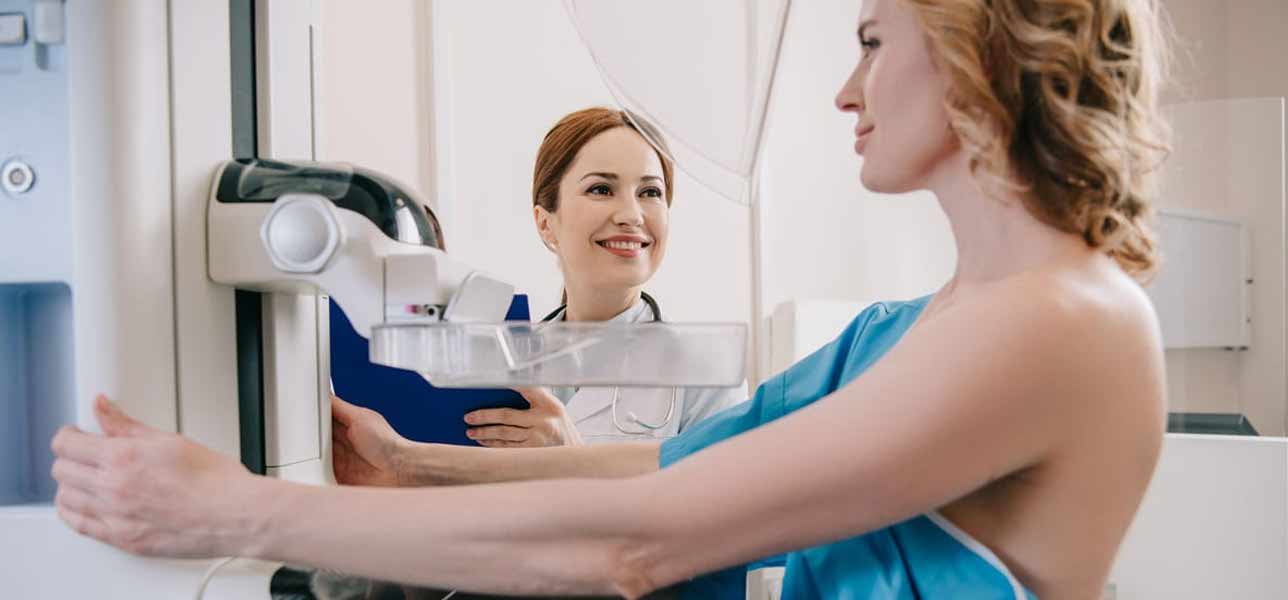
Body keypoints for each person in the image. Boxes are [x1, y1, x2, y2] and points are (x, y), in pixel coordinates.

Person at [49, 0, 1171, 598]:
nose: (844, 87)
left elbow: (639, 545)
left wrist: (235, 512)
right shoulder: (928, 325)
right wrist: (421, 465)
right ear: (546, 217)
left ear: (980, 39)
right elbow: (688, 464)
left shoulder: (1059, 323)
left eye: (872, 39)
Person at [457, 107, 744, 449]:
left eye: (650, 192)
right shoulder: (499, 364)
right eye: (602, 189)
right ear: (545, 222)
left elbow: (719, 502)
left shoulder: (706, 374)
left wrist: (569, 459)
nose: (631, 215)